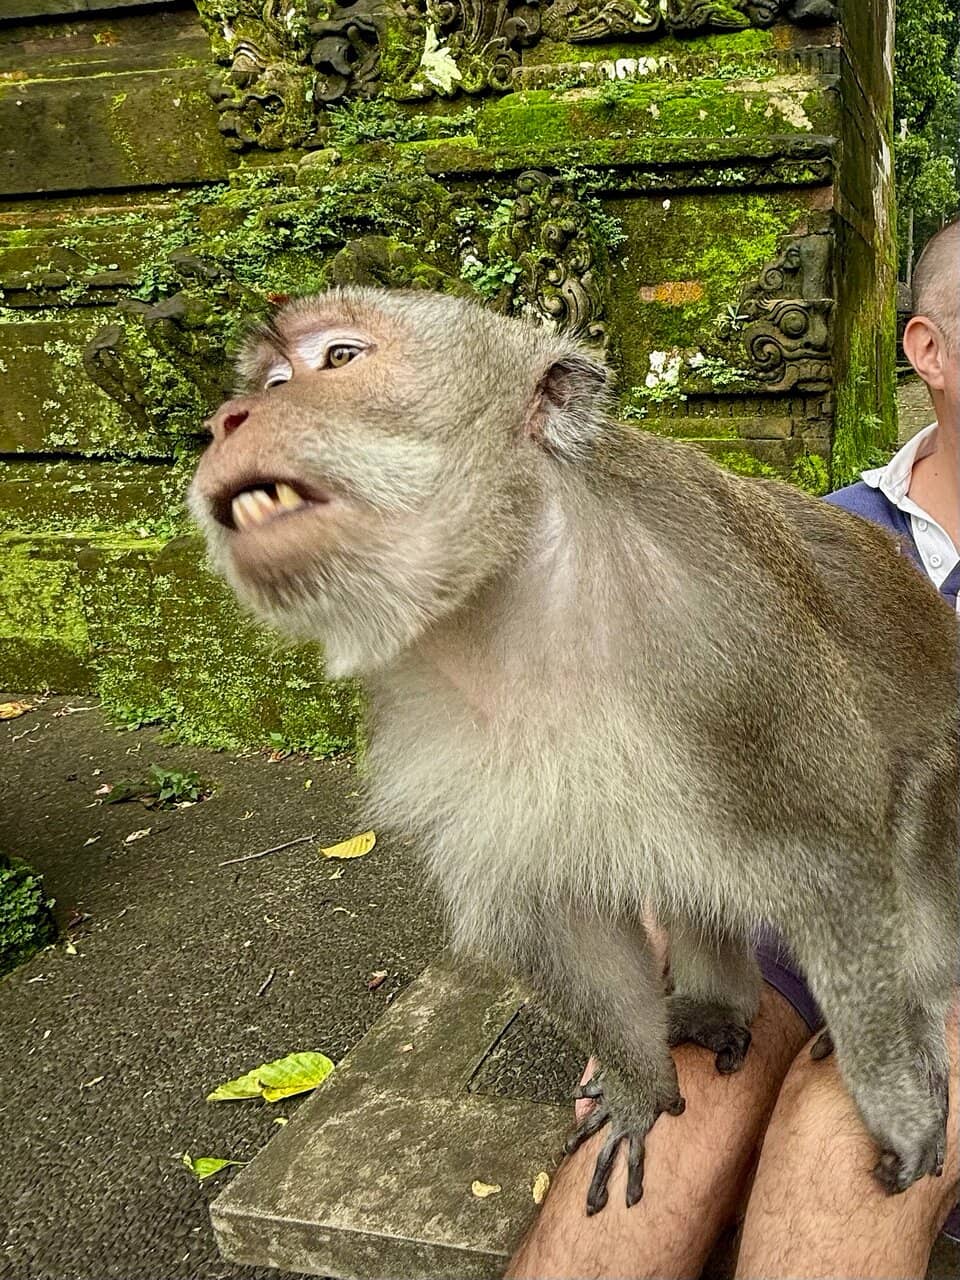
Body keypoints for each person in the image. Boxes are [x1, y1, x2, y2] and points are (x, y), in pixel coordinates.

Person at [507, 217, 960, 1280]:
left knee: (838, 1143)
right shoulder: (825, 534)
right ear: (929, 351)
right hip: (779, 945)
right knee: (659, 1143)